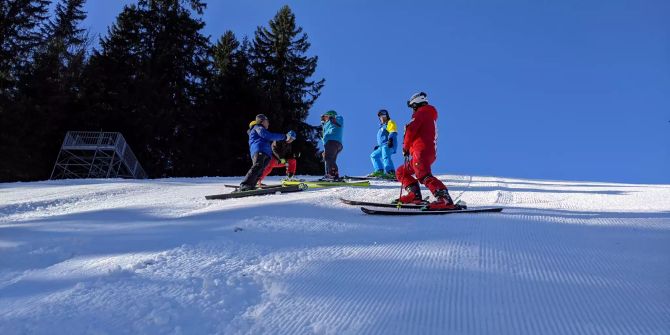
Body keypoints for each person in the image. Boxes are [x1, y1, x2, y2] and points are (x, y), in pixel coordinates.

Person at [395, 92, 459, 210]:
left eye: (412, 107)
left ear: (416, 105)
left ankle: (444, 199)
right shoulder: (428, 115)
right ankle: (414, 195)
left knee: (423, 174)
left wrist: (405, 147)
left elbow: (410, 131)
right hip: (422, 153)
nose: (412, 111)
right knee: (401, 172)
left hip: (421, 151)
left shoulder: (421, 113)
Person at [239, 114, 296, 191]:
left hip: (266, 153)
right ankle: (244, 185)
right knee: (257, 167)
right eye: (267, 121)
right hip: (259, 150)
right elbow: (268, 136)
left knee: (260, 170)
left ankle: (251, 185)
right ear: (262, 121)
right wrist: (284, 136)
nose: (268, 123)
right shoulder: (258, 127)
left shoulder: (260, 129)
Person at [368, 109, 398, 179]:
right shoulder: (381, 127)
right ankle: (379, 170)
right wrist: (378, 146)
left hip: (388, 144)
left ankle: (391, 172)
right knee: (373, 155)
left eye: (384, 115)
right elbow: (382, 138)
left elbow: (393, 131)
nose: (382, 117)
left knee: (385, 156)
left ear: (387, 115)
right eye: (381, 116)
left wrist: (390, 139)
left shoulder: (390, 122)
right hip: (382, 146)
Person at [320, 110, 344, 181]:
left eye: (326, 116)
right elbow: (325, 137)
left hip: (333, 142)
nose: (325, 118)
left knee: (329, 158)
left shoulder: (337, 118)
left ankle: (332, 174)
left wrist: (331, 117)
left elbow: (339, 121)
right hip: (331, 143)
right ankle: (332, 174)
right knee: (330, 159)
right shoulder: (327, 125)